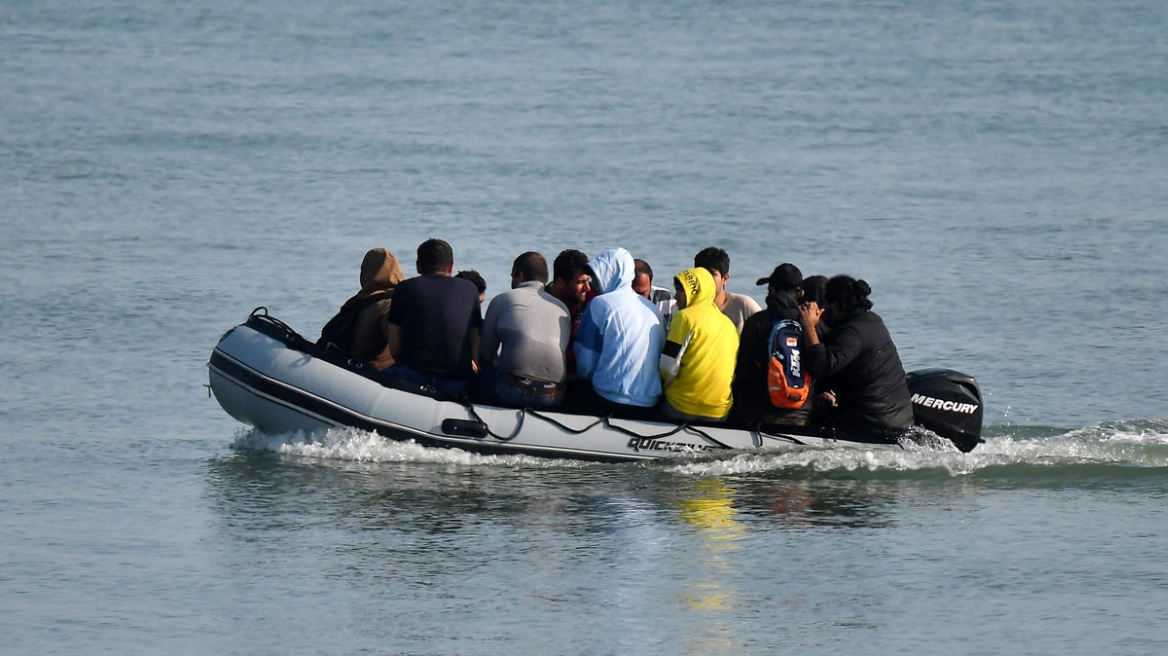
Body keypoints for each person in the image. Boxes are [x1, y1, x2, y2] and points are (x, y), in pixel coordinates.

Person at [799, 275, 914, 433]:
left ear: (836, 306)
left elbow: (821, 366)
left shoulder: (853, 332)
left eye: (825, 303)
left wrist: (808, 326)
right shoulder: (871, 321)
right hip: (896, 418)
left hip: (873, 422)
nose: (822, 308)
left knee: (808, 415)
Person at [384, 239, 482, 396]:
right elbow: (474, 343)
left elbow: (395, 349)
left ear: (418, 266)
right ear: (451, 266)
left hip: (413, 378)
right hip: (458, 381)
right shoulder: (470, 289)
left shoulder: (404, 289)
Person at [574, 248, 664, 410]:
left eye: (597, 276)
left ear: (610, 274)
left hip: (609, 397)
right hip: (650, 400)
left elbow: (585, 365)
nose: (593, 283)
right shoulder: (653, 310)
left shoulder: (600, 304)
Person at [478, 252, 570, 407]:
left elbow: (486, 355)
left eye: (512, 276)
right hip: (553, 396)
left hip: (513, 391)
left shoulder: (503, 299)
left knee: (485, 374)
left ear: (520, 276)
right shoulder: (562, 308)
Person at [734, 263, 812, 424]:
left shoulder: (757, 322)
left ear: (772, 290)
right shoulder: (811, 325)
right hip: (802, 412)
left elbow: (742, 369)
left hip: (761, 412)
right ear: (800, 293)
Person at [658, 267, 739, 422]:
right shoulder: (729, 325)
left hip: (681, 406)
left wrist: (657, 389)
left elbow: (668, 366)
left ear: (693, 292)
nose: (675, 297)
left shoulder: (685, 318)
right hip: (719, 412)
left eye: (680, 290)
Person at [317, 248, 405, 370]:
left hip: (348, 368)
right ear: (398, 273)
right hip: (377, 373)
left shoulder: (356, 301)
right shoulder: (392, 304)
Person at [546, 249, 595, 378]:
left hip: (583, 378)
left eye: (587, 281)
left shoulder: (594, 300)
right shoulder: (541, 302)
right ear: (561, 283)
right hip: (549, 376)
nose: (587, 287)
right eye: (580, 282)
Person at [694, 246, 761, 333]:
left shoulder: (743, 305)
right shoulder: (689, 308)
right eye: (702, 274)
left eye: (711, 274)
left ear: (724, 279)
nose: (706, 279)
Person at [633, 258, 677, 330]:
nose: (638, 298)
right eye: (633, 293)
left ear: (650, 285)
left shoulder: (667, 300)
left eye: (642, 293)